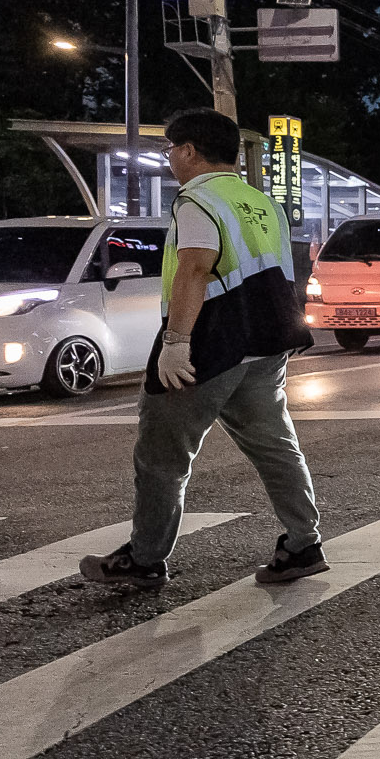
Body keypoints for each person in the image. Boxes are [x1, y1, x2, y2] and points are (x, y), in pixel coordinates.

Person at [82, 109, 327, 591]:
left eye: (171, 148)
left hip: (211, 344)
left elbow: (195, 269)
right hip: (265, 344)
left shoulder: (197, 200)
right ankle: (303, 542)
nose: (170, 157)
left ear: (190, 150)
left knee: (162, 456)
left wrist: (175, 342)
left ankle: (147, 558)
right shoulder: (261, 202)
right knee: (276, 446)